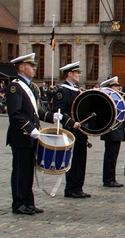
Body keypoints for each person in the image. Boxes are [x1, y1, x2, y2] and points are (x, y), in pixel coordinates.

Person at [6, 53, 64, 215]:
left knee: (28, 171)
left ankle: (28, 201)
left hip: (30, 137)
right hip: (21, 136)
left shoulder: (30, 86)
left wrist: (51, 116)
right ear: (21, 67)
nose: (34, 68)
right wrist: (30, 128)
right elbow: (15, 113)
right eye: (31, 66)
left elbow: (34, 111)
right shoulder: (15, 87)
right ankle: (19, 203)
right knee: (20, 171)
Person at [53, 61, 91, 199]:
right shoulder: (62, 91)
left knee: (81, 159)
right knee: (73, 160)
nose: (79, 74)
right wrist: (71, 123)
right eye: (77, 72)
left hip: (81, 131)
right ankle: (71, 188)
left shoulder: (77, 90)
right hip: (71, 130)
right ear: (69, 74)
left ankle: (78, 187)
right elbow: (59, 112)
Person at [100, 77, 125, 188]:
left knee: (113, 155)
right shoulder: (108, 99)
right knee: (110, 156)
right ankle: (108, 179)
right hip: (112, 131)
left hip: (117, 130)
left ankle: (111, 177)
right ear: (110, 88)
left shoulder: (117, 98)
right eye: (115, 86)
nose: (118, 88)